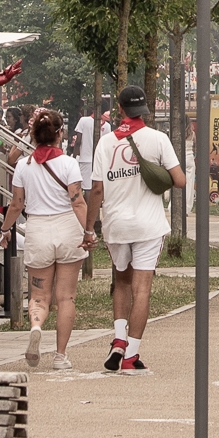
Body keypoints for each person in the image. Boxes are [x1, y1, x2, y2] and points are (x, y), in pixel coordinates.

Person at [85, 84, 184, 374]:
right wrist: (155, 172)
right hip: (149, 226)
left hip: (116, 225)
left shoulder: (105, 144)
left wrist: (89, 229)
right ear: (145, 110)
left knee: (121, 281)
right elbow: (179, 181)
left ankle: (118, 338)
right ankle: (131, 355)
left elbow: (96, 190)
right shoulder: (158, 139)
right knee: (142, 289)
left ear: (119, 109)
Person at [8, 109, 88, 371]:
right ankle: (60, 356)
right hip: (68, 229)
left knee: (39, 295)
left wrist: (5, 228)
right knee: (66, 298)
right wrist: (88, 232)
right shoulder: (69, 164)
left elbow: (17, 204)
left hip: (38, 229)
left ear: (34, 135)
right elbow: (77, 202)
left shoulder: (23, 166)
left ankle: (36, 326)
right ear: (60, 134)